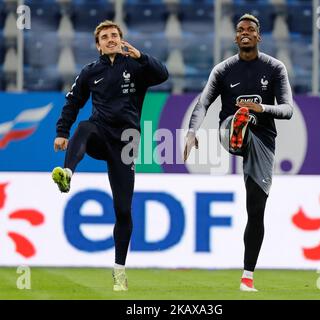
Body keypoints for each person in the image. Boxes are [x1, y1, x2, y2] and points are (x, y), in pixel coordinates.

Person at [52, 20, 168, 291]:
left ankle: (119, 272)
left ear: (122, 39)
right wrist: (61, 132)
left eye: (114, 35)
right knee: (84, 126)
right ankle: (67, 173)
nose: (110, 39)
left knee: (123, 210)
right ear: (98, 45)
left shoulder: (136, 67)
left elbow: (162, 75)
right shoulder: (90, 72)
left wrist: (141, 56)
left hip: (126, 143)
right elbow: (73, 102)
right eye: (105, 37)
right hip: (99, 134)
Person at [184, 14, 293, 292]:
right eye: (240, 30)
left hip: (263, 142)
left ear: (259, 36)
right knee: (237, 120)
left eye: (251, 30)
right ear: (235, 38)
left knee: (256, 210)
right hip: (228, 131)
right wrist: (191, 132)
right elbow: (202, 103)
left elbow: (288, 109)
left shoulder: (275, 68)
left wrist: (262, 109)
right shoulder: (222, 70)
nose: (245, 33)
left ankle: (247, 278)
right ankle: (239, 126)